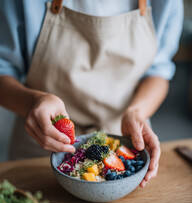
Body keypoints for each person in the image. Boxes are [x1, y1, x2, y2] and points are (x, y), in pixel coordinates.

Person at [0, 0, 183, 187]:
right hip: (42, 144)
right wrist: (34, 102)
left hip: (122, 137)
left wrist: (137, 112)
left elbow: (158, 73)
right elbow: (3, 70)